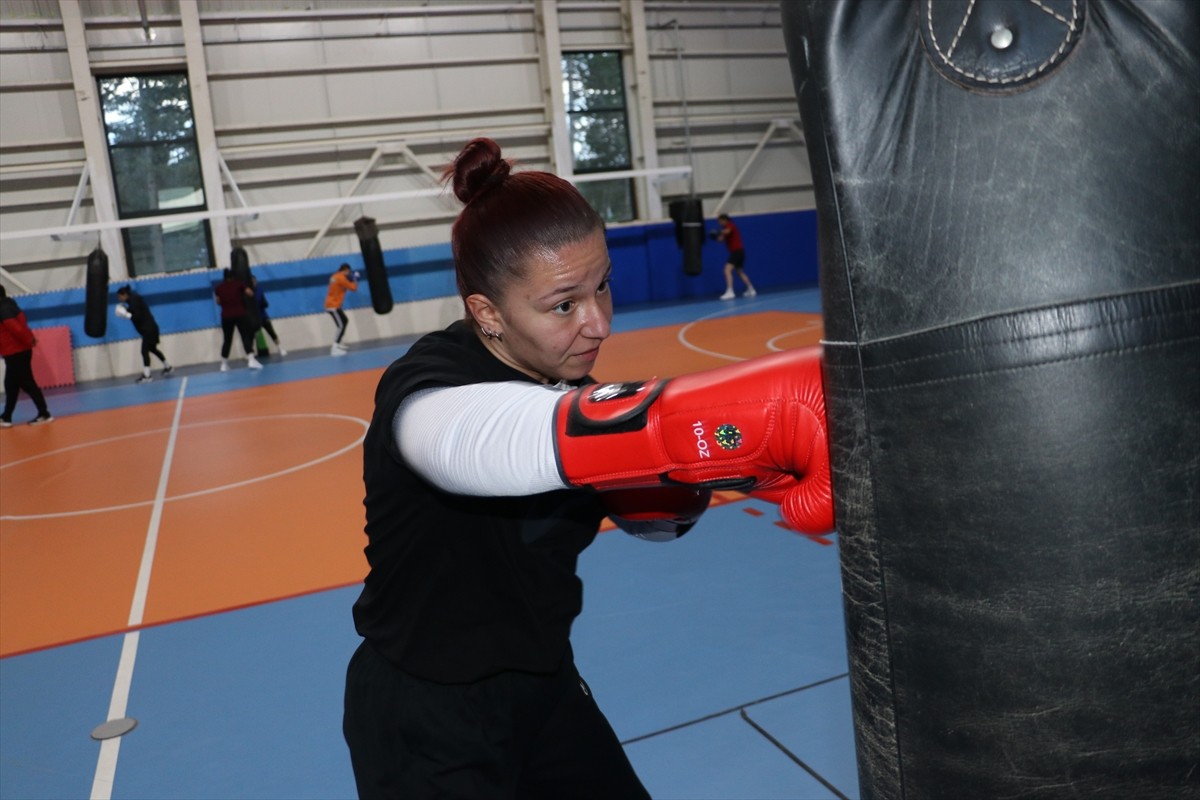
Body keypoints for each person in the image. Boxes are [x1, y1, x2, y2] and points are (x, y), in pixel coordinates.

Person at [343, 137, 834, 799]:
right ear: (486, 312)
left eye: (602, 284)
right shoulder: (428, 388)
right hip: (425, 716)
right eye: (564, 305)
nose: (598, 322)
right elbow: (469, 443)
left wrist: (725, 467)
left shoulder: (574, 391)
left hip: (544, 687)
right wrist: (695, 423)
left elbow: (648, 515)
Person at [0, 285, 52, 427]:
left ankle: (44, 413)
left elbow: (16, 329)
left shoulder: (3, 309)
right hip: (16, 350)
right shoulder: (10, 305)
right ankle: (6, 417)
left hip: (15, 351)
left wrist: (28, 340)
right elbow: (21, 325)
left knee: (27, 383)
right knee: (11, 385)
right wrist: (30, 339)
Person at [115, 285, 172, 383]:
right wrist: (126, 311)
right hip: (151, 328)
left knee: (144, 351)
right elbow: (135, 312)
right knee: (152, 349)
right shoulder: (133, 300)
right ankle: (168, 367)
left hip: (149, 330)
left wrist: (126, 314)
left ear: (124, 295)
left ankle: (147, 376)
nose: (119, 299)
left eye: (120, 297)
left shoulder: (134, 300)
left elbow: (137, 316)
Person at [213, 269, 262, 372]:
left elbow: (218, 301)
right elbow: (250, 293)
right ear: (233, 276)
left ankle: (224, 364)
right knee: (245, 336)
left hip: (226, 316)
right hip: (240, 314)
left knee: (227, 339)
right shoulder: (239, 284)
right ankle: (251, 360)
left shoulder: (218, 288)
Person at [714, 213, 757, 300]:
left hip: (736, 252)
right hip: (739, 252)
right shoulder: (725, 228)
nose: (719, 223)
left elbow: (728, 231)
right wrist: (715, 236)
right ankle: (751, 289)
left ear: (724, 220)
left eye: (720, 221)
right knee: (740, 272)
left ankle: (730, 292)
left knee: (727, 270)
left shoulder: (730, 225)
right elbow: (720, 240)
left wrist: (719, 232)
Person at [325, 263, 358, 356]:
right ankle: (334, 348)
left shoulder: (335, 276)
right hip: (333, 305)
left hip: (333, 304)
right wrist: (355, 278)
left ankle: (338, 344)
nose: (349, 273)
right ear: (346, 270)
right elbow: (353, 288)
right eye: (348, 272)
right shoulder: (341, 278)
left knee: (345, 321)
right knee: (341, 325)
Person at [249, 275, 286, 356]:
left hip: (263, 316)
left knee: (271, 332)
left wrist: (265, 303)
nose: (254, 283)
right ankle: (250, 354)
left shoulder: (260, 290)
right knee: (251, 336)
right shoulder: (248, 292)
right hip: (255, 318)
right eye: (252, 282)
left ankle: (280, 347)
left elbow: (264, 301)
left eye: (255, 281)